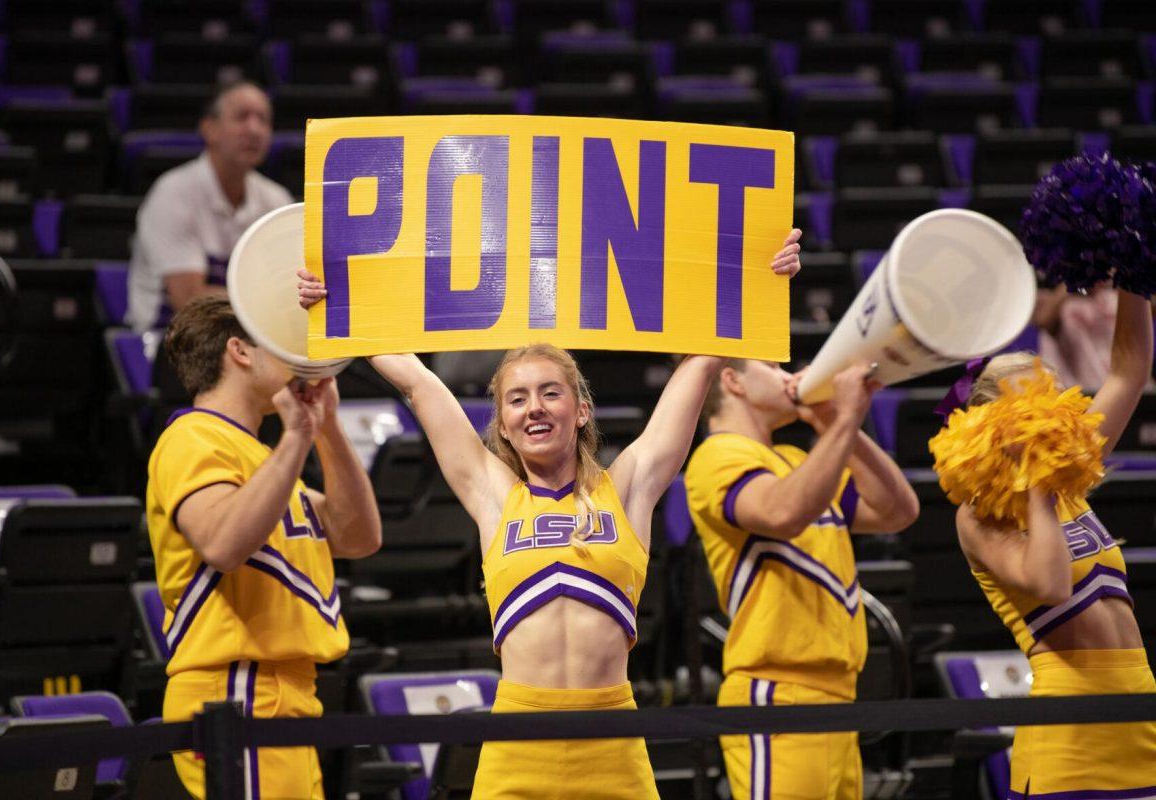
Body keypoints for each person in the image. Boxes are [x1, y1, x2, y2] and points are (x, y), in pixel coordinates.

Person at [297, 228, 803, 798]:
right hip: (517, 741)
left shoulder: (629, 487)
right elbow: (416, 381)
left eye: (550, 393)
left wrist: (761, 276)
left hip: (614, 739)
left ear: (581, 408)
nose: (533, 407)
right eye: (517, 398)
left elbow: (703, 360)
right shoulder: (492, 494)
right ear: (502, 421)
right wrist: (337, 301)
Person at [147, 296, 381, 800]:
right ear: (240, 350)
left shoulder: (263, 458)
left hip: (287, 692)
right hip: (233, 691)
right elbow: (223, 543)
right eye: (278, 338)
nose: (298, 356)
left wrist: (329, 428)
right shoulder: (192, 437)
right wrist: (297, 437)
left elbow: (358, 536)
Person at [948, 289, 1156, 796]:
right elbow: (1052, 584)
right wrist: (1036, 481)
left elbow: (1129, 370)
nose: (1051, 417)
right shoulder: (982, 514)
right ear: (991, 425)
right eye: (1031, 407)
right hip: (1071, 737)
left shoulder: (1067, 476)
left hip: (1141, 717)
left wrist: (1134, 276)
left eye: (1053, 398)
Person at [684, 359, 919, 800]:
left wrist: (838, 422)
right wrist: (844, 420)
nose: (789, 376)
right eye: (772, 367)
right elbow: (781, 513)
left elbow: (897, 511)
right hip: (775, 695)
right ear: (733, 381)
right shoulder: (717, 455)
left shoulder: (794, 459)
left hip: (837, 694)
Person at [127, 81, 292, 333]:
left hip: (245, 339)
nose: (254, 129)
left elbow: (290, 288)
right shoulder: (173, 193)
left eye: (263, 119)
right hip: (171, 341)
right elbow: (190, 301)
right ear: (209, 129)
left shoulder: (276, 200)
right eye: (241, 117)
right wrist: (271, 301)